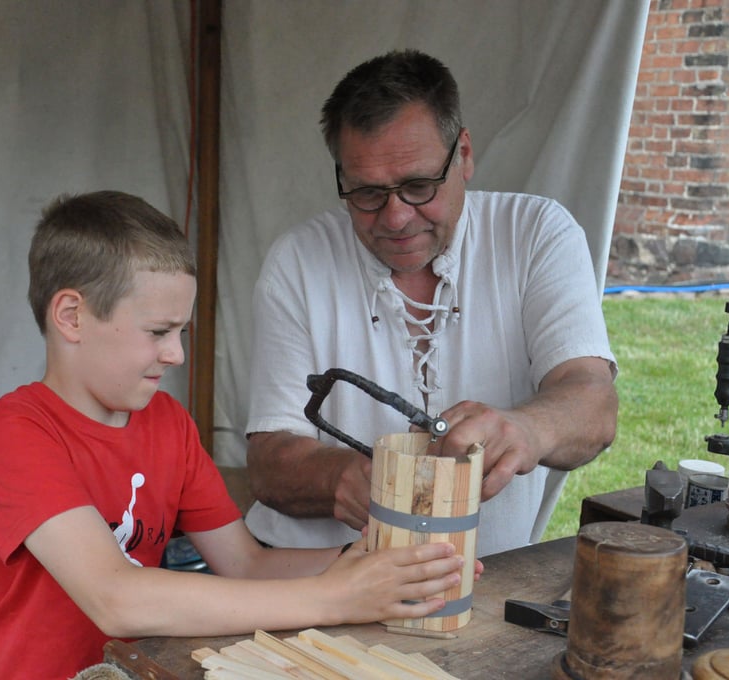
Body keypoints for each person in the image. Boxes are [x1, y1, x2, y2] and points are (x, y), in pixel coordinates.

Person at [0, 191, 474, 680]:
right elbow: (115, 599)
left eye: (180, 334)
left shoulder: (167, 422)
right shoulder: (16, 431)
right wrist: (336, 597)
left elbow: (245, 564)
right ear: (72, 316)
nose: (176, 355)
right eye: (157, 332)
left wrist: (377, 567)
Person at [245, 50, 618, 557]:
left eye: (419, 186)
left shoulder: (535, 234)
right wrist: (340, 478)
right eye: (367, 194)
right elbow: (268, 462)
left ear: (463, 154)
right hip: (316, 579)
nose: (396, 218)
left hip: (482, 585)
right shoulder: (298, 261)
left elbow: (593, 403)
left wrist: (528, 428)